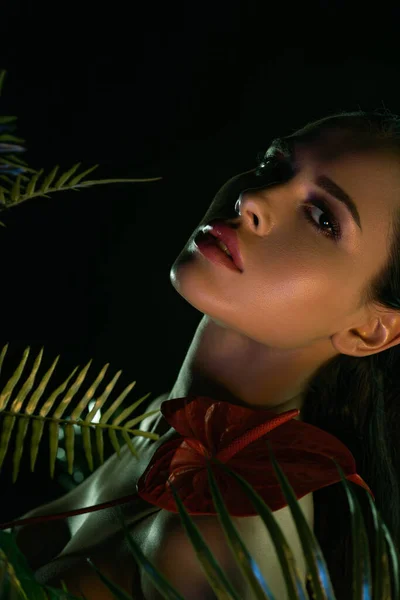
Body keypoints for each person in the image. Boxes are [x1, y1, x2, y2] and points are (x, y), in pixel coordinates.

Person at [11, 108, 400, 599]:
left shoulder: (224, 536)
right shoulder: (153, 422)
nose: (253, 198)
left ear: (372, 331)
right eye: (272, 166)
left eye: (323, 219)